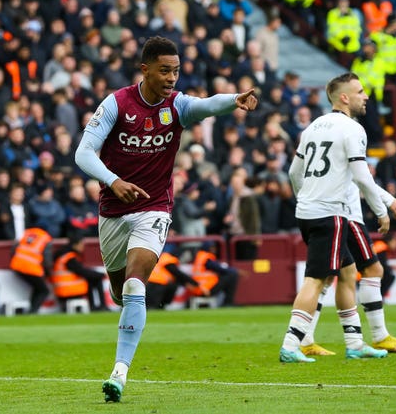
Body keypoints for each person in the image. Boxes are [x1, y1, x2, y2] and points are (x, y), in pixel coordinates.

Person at [74, 36, 258, 402]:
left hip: (155, 208)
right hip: (113, 210)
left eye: (175, 70)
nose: (172, 77)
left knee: (134, 285)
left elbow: (205, 105)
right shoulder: (117, 103)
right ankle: (128, 314)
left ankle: (119, 373)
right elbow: (83, 153)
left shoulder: (177, 106)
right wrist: (114, 181)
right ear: (145, 69)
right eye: (164, 70)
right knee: (118, 292)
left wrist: (233, 101)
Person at [280, 72, 396, 363]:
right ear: (344, 97)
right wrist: (381, 211)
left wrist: (305, 196)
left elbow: (294, 173)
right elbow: (361, 175)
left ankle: (355, 343)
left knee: (346, 273)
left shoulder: (312, 127)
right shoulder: (352, 129)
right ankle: (291, 345)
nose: (365, 96)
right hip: (329, 212)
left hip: (308, 211)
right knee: (316, 281)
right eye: (359, 91)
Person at [300, 184, 396, 357]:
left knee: (332, 276)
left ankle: (307, 340)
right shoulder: (348, 155)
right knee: (373, 270)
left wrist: (304, 202)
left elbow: (295, 173)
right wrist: (385, 205)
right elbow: (362, 177)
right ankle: (379, 335)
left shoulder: (310, 155)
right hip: (348, 215)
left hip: (319, 213)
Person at [51, 234, 107, 312]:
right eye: (81, 244)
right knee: (96, 278)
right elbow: (82, 272)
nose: (83, 247)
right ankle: (101, 306)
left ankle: (95, 306)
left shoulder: (62, 256)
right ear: (75, 245)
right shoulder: (69, 258)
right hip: (68, 290)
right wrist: (102, 275)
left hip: (62, 289)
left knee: (92, 279)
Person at [9, 227, 53, 314]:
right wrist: (48, 272)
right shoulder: (45, 237)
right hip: (32, 268)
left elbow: (14, 248)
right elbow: (47, 259)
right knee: (44, 290)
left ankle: (32, 310)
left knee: (38, 288)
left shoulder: (27, 232)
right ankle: (33, 311)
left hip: (17, 264)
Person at [190, 241, 240, 307]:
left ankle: (226, 302)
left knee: (228, 275)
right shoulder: (206, 258)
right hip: (205, 289)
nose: (214, 249)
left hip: (199, 288)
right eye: (212, 247)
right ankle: (228, 303)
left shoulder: (200, 256)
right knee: (232, 275)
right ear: (207, 248)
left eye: (214, 247)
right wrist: (236, 270)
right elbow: (220, 269)